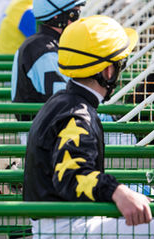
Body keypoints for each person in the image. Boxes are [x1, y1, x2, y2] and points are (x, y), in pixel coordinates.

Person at [23, 15, 154, 238]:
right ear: (108, 72)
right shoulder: (77, 114)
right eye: (119, 64)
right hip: (69, 227)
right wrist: (118, 191)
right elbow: (71, 175)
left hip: (62, 222)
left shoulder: (63, 102)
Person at [11, 0, 86, 121]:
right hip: (46, 133)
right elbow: (65, 104)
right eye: (74, 15)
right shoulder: (45, 50)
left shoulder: (40, 44)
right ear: (57, 17)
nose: (77, 23)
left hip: (41, 130)